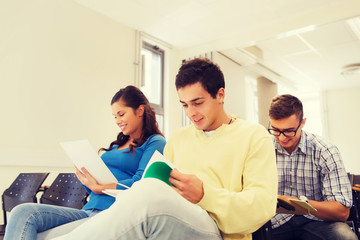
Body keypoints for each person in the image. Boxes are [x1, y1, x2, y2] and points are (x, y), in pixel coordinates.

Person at [53, 58, 278, 240]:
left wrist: (205, 195)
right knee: (46, 231)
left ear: (220, 95)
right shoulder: (179, 138)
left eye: (198, 103)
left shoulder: (254, 136)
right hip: (168, 221)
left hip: (218, 232)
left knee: (149, 191)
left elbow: (262, 207)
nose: (191, 113)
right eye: (184, 105)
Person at [4, 85, 166, 240]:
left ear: (140, 110)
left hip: (112, 214)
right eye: (115, 116)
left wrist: (100, 187)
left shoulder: (155, 141)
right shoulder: (118, 144)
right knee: (22, 212)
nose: (117, 120)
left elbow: (142, 183)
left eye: (121, 114)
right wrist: (87, 180)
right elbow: (94, 187)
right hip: (87, 210)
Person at [268, 94, 357, 240]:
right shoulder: (264, 148)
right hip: (275, 222)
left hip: (318, 221)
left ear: (302, 123)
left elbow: (341, 211)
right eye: (276, 130)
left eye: (289, 131)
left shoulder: (325, 150)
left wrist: (299, 203)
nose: (282, 138)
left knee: (345, 237)